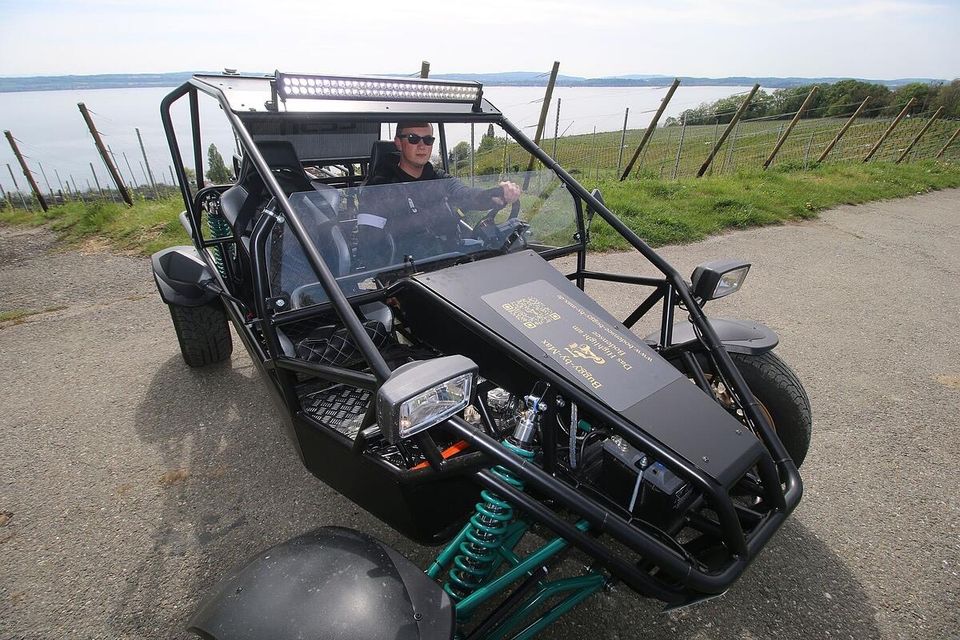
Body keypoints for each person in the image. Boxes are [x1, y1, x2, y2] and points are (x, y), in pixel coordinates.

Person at [359, 122, 522, 267]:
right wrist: (389, 282)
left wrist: (492, 195)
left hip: (451, 261)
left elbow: (466, 194)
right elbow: (369, 245)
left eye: (428, 140)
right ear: (399, 143)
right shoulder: (378, 189)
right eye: (413, 138)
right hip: (408, 273)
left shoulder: (440, 179)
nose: (422, 145)